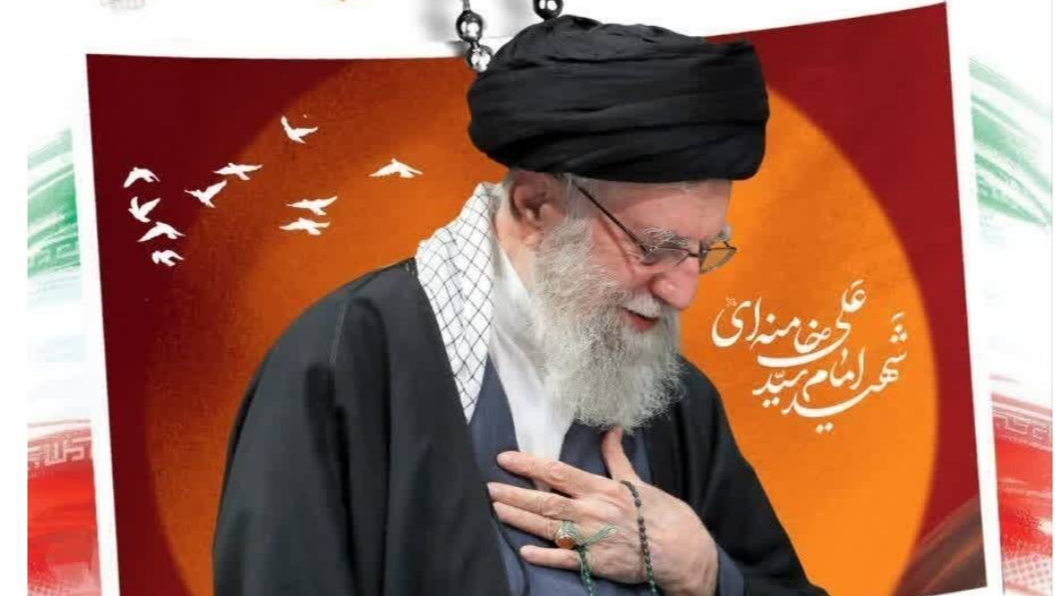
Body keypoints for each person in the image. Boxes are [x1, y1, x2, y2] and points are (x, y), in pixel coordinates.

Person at [213, 15, 829, 596]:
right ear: (535, 205)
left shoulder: (672, 396)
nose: (681, 291)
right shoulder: (346, 359)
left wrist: (703, 568)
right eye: (654, 249)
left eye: (702, 251)